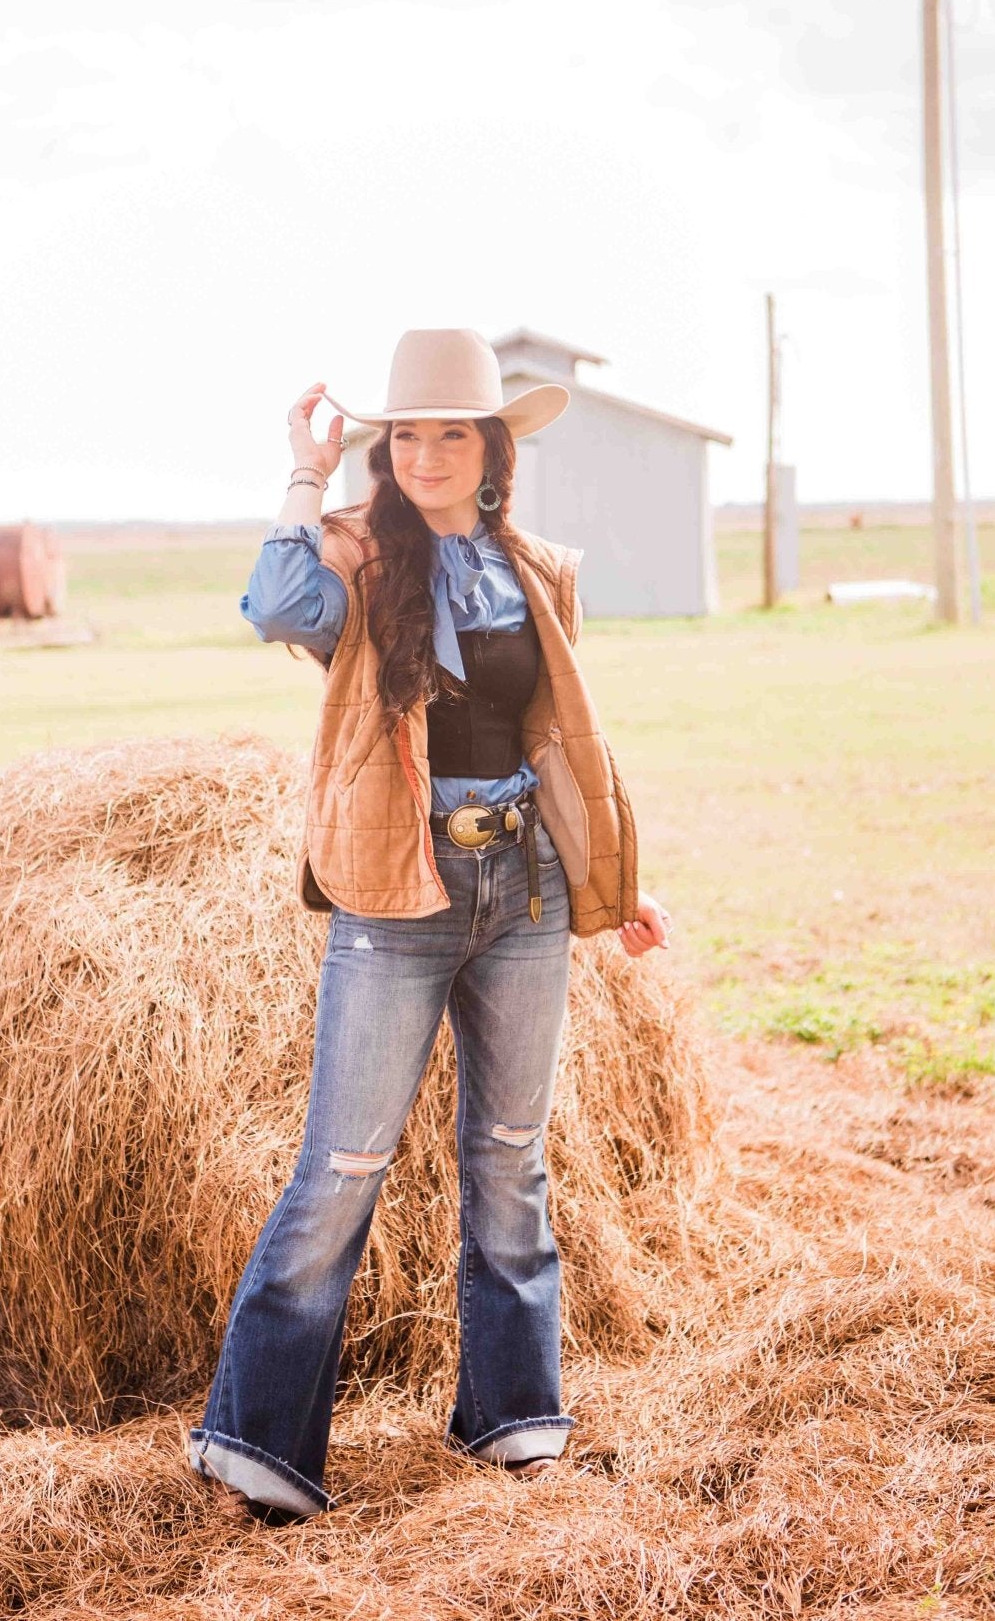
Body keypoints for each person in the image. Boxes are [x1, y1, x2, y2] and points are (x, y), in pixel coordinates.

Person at [188, 328, 673, 1522]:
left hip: (526, 890)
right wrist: (306, 471)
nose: (428, 452)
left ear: (492, 445)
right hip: (396, 892)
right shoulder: (350, 555)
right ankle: (259, 1449)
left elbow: (561, 738)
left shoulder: (536, 567)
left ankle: (512, 1418)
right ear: (386, 446)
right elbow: (273, 604)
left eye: (452, 430)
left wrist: (614, 876)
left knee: (510, 1159)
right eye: (407, 432)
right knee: (343, 1166)